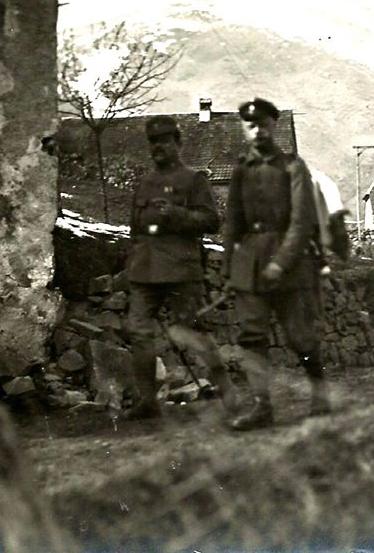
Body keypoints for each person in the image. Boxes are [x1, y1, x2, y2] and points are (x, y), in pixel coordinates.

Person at [222, 98, 327, 431]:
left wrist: (280, 263)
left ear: (274, 127)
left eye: (264, 125)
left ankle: (320, 394)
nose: (258, 132)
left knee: (300, 336)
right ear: (244, 129)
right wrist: (230, 268)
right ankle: (261, 407)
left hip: (291, 266)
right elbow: (233, 223)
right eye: (251, 126)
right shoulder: (240, 170)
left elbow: (301, 223)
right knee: (251, 336)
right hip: (250, 264)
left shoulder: (293, 167)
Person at [123, 115, 229, 420]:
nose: (158, 147)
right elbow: (135, 228)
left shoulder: (194, 180)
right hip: (145, 271)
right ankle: (148, 401)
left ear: (178, 143)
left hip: (180, 270)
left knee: (193, 331)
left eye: (165, 141)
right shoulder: (145, 182)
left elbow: (211, 220)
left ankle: (227, 390)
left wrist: (177, 214)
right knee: (139, 331)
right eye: (154, 142)